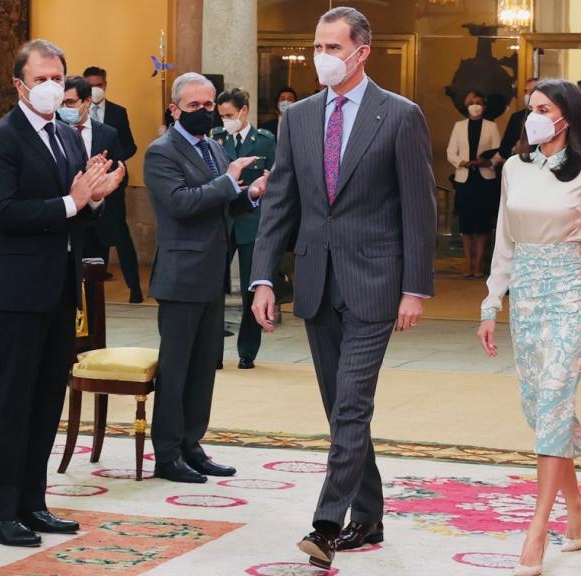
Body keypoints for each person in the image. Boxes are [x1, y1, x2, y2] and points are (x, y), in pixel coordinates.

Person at [250, 7, 436, 570]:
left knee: (352, 403)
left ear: (362, 52)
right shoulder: (298, 117)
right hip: (315, 280)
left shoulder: (400, 116)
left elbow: (419, 209)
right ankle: (371, 514)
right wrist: (262, 277)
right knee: (340, 409)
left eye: (333, 47)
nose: (321, 56)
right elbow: (281, 201)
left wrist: (415, 288)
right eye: (317, 46)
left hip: (376, 282)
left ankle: (326, 525)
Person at [0, 39, 125, 547]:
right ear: (19, 83)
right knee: (14, 401)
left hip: (60, 287)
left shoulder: (66, 136)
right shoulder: (1, 137)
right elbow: (2, 214)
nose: (50, 87)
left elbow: (75, 209)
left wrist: (95, 201)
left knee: (46, 401)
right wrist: (71, 200)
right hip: (16, 291)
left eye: (57, 79)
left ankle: (32, 502)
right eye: (40, 79)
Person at [476, 79, 581, 576]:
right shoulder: (515, 168)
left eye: (543, 108)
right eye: (530, 108)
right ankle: (576, 505)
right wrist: (491, 301)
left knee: (557, 396)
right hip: (527, 300)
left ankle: (536, 529)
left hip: (571, 299)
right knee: (542, 409)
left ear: (566, 117)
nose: (532, 116)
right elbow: (505, 239)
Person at [144, 72, 266, 484]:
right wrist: (229, 182)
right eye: (194, 105)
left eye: (209, 105)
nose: (204, 112)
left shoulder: (213, 147)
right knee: (176, 369)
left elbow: (223, 205)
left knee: (202, 370)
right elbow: (180, 204)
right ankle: (167, 453)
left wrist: (248, 194)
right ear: (175, 109)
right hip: (180, 275)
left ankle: (192, 445)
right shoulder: (161, 152)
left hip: (213, 272)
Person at [58, 76, 143, 302]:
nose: (64, 109)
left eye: (70, 102)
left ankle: (134, 289)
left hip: (103, 208)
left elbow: (118, 169)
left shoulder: (107, 133)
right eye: (61, 103)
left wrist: (102, 173)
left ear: (86, 102)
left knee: (99, 273)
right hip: (69, 213)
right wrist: (84, 170)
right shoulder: (55, 131)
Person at [211, 88, 276, 369]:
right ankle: (212, 352)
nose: (226, 120)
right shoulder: (215, 138)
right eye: (222, 115)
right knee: (214, 286)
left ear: (244, 110)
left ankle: (247, 351)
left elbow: (275, 177)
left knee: (252, 285)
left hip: (252, 222)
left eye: (229, 114)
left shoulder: (264, 141)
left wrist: (262, 187)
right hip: (222, 220)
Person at [83, 66, 141, 295]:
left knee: (119, 234)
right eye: (91, 85)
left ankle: (135, 288)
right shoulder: (78, 112)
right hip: (87, 185)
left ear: (105, 85)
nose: (96, 89)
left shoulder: (118, 112)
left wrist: (112, 163)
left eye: (99, 84)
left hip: (112, 187)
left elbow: (130, 145)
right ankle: (94, 282)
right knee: (92, 236)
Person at [447, 91, 501, 278]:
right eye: (472, 102)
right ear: (467, 105)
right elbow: (451, 152)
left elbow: (498, 153)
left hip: (484, 179)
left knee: (482, 223)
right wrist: (462, 162)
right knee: (466, 223)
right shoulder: (459, 126)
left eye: (478, 102)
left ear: (484, 107)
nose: (475, 105)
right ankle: (467, 264)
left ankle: (478, 265)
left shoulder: (491, 126)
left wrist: (488, 162)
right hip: (465, 179)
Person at [499, 77, 538, 162]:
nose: (527, 95)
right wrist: (514, 149)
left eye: (531, 91)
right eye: (525, 91)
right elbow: (503, 149)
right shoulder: (516, 117)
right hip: (518, 165)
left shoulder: (549, 116)